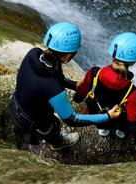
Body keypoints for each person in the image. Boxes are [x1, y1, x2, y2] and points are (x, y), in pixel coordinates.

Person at [8, 22, 121, 151]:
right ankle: (58, 143)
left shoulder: (34, 54)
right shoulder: (54, 88)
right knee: (52, 126)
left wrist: (73, 85)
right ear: (67, 55)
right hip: (33, 122)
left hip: (16, 104)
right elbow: (72, 119)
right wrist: (107, 116)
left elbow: (51, 75)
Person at [74, 32, 136, 166]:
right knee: (126, 121)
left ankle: (102, 130)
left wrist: (76, 99)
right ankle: (121, 132)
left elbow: (82, 91)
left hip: (97, 115)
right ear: (133, 62)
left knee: (98, 112)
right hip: (117, 120)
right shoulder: (131, 90)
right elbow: (135, 124)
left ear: (113, 54)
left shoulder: (95, 72)